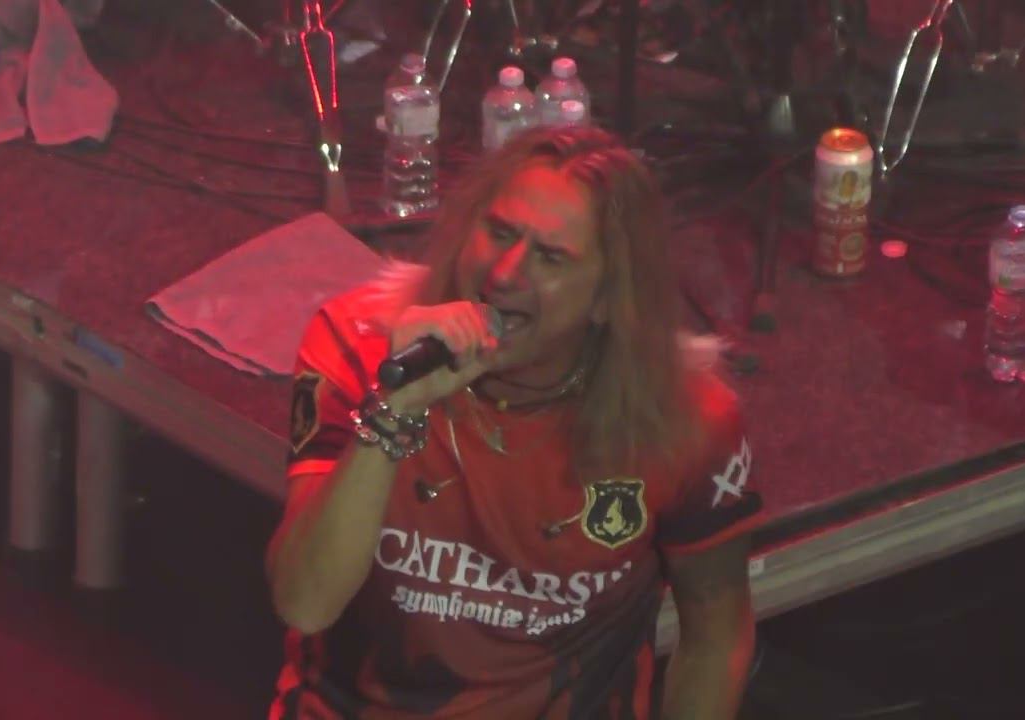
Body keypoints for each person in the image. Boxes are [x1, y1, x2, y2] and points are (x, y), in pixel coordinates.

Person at [266, 126, 763, 719]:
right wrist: (394, 411)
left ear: (609, 298)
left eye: (550, 257)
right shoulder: (360, 347)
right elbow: (305, 602)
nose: (503, 274)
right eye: (499, 233)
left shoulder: (686, 420)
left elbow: (715, 638)